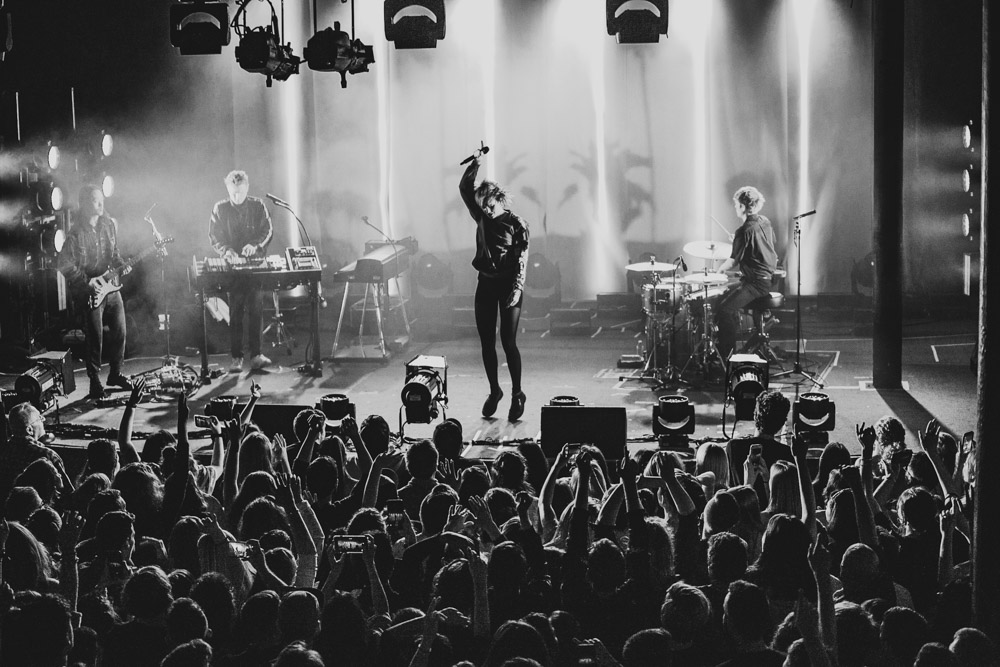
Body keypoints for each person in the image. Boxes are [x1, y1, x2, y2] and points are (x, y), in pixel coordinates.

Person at [459, 149, 530, 421]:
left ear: (498, 198)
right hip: (486, 285)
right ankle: (494, 391)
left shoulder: (517, 224)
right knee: (487, 342)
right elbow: (464, 188)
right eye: (482, 206)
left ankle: (517, 393)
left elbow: (522, 261)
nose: (486, 210)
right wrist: (475, 164)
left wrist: (515, 291)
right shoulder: (481, 217)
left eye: (488, 204)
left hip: (510, 287)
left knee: (508, 342)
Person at [59, 185, 133, 399]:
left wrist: (122, 264)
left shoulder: (108, 225)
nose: (101, 204)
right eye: (95, 200)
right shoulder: (75, 234)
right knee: (95, 337)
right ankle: (94, 381)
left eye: (101, 199)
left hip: (110, 287)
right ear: (85, 204)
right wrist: (87, 282)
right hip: (89, 292)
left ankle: (116, 374)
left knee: (120, 331)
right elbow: (64, 264)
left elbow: (115, 254)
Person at [209, 170, 274, 373]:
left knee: (256, 310)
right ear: (228, 189)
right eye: (233, 193)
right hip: (232, 269)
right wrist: (226, 250)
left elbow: (267, 231)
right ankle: (236, 357)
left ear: (247, 188)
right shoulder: (220, 208)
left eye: (240, 192)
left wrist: (254, 246)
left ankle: (256, 355)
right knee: (235, 313)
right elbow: (214, 235)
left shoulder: (257, 206)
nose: (237, 196)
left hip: (254, 266)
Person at [716, 186, 778, 360]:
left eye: (737, 205)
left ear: (743, 206)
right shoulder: (765, 221)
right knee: (725, 297)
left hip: (756, 283)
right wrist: (738, 241)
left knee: (724, 310)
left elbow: (733, 261)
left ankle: (727, 356)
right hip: (767, 279)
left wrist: (717, 272)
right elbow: (766, 244)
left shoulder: (743, 231)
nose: (736, 208)